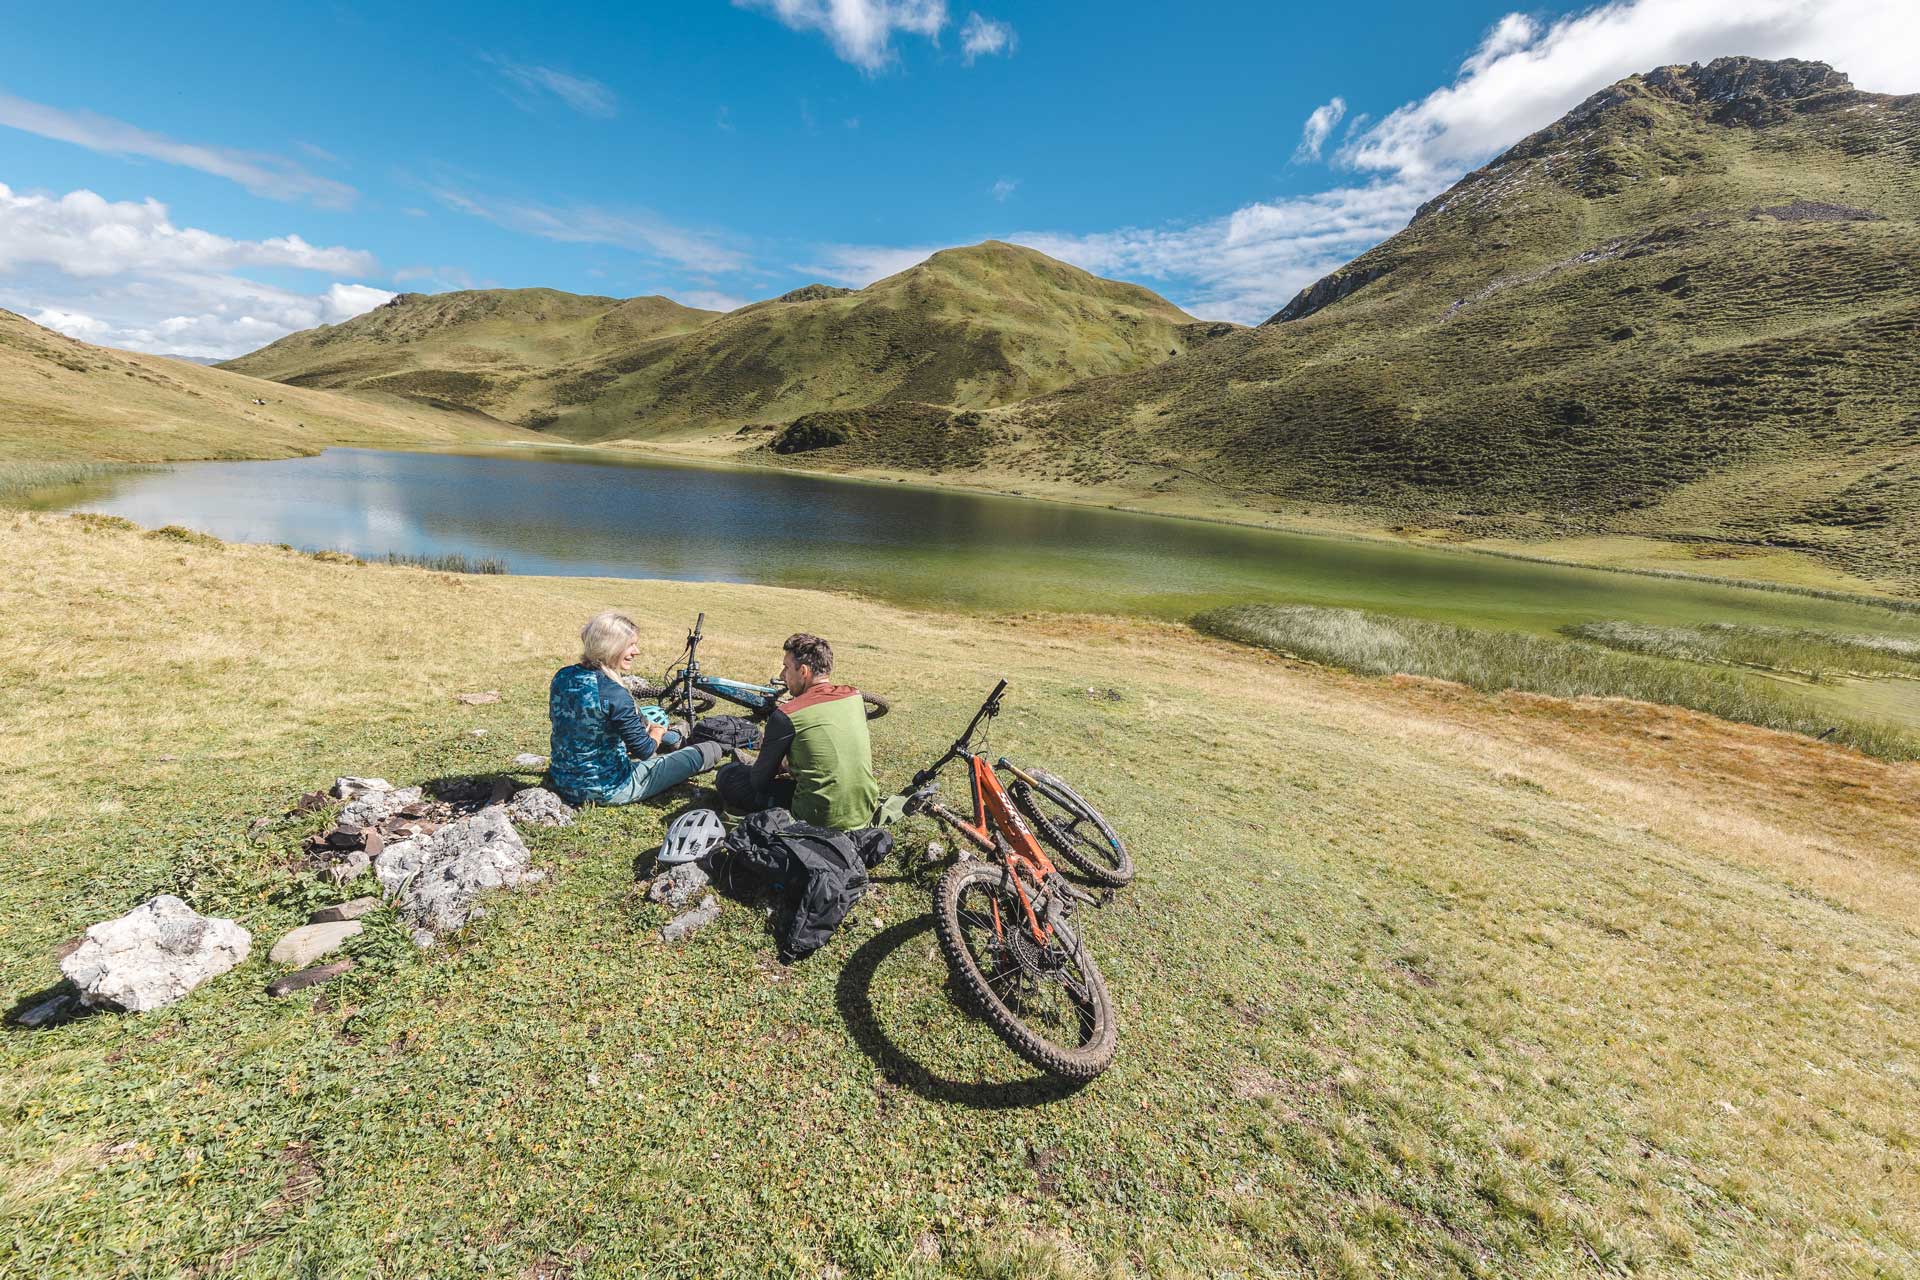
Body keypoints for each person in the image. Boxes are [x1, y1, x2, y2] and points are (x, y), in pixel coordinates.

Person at [548, 611, 723, 807]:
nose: (636, 651)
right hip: (608, 788)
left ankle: (673, 738)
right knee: (710, 749)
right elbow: (645, 750)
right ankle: (675, 738)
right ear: (611, 647)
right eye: (630, 645)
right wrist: (657, 731)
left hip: (562, 779)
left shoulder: (563, 676)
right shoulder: (615, 694)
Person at [716, 632, 878, 831]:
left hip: (817, 818)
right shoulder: (854, 696)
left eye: (786, 667)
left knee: (729, 775)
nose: (782, 675)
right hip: (864, 809)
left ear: (803, 671)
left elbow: (758, 781)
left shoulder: (788, 714)